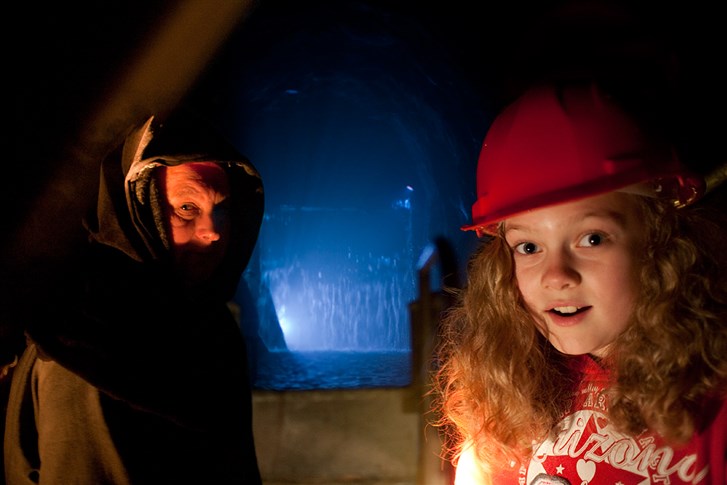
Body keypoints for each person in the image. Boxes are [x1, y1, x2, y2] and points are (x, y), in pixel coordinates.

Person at [432, 80, 727, 484]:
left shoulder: (714, 398)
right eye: (529, 247)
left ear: (660, 241)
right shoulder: (504, 392)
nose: (556, 276)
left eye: (592, 238)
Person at [4, 112, 264, 484]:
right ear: (142, 212)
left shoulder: (207, 327)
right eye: (187, 208)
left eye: (220, 211)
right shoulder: (85, 340)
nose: (213, 232)